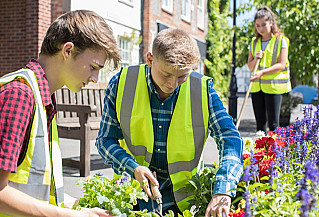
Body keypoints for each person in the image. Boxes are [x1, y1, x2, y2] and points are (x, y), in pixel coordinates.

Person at [96, 28, 243, 217]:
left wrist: (223, 190)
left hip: (185, 202)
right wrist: (132, 168)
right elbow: (105, 140)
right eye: (166, 74)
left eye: (182, 76)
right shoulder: (121, 83)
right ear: (150, 60)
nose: (173, 85)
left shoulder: (203, 90)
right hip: (132, 197)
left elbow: (229, 138)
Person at [0, 10, 120, 216]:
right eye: (93, 67)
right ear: (68, 50)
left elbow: (39, 192)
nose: (94, 77)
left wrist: (80, 208)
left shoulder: (43, 96)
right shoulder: (20, 95)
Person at [248, 6, 291, 133]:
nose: (260, 29)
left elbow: (281, 64)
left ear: (271, 23)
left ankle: (275, 152)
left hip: (274, 87)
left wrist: (261, 73)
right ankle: (261, 152)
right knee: (260, 126)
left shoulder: (281, 40)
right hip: (257, 87)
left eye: (263, 25)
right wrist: (255, 59)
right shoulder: (254, 42)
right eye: (257, 26)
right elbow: (250, 66)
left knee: (273, 124)